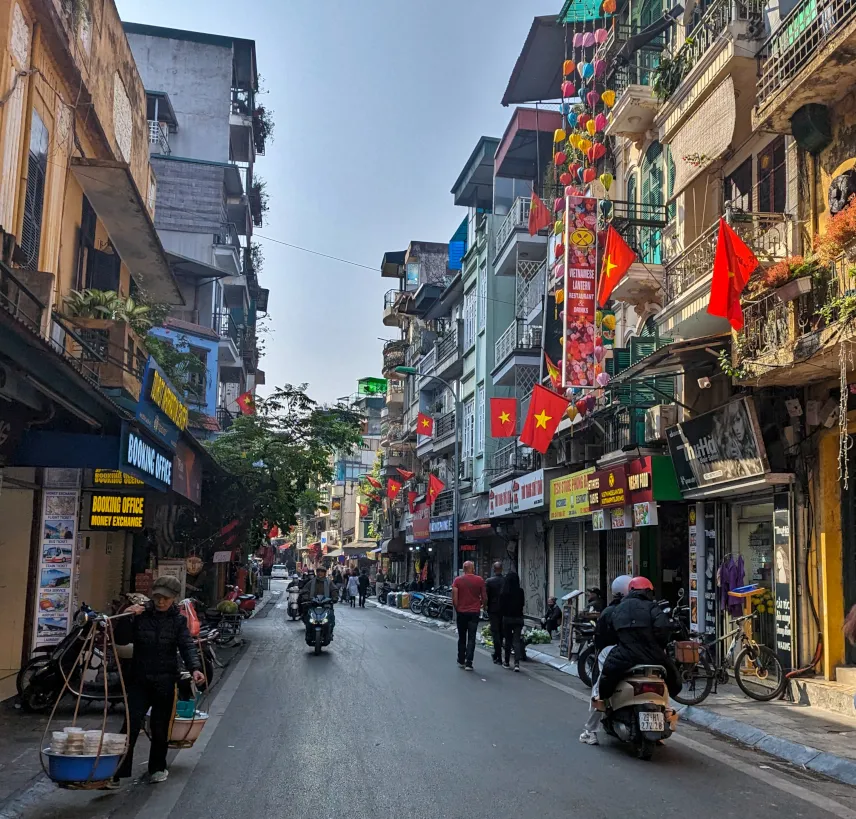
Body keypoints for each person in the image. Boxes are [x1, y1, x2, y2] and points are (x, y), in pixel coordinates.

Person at [110, 576, 204, 786]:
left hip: (165, 680)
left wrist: (195, 668)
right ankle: (116, 772)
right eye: (158, 597)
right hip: (139, 680)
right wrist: (127, 617)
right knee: (130, 726)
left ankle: (157, 768)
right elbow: (120, 639)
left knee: (160, 727)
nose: (161, 602)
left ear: (174, 599)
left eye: (166, 598)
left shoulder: (178, 621)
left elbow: (187, 645)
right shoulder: (140, 615)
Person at [597, 576, 681, 703]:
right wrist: (658, 646)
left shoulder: (618, 609)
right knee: (673, 676)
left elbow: (609, 633)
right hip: (653, 655)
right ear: (648, 591)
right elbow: (663, 629)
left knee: (606, 681)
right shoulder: (653, 608)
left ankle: (606, 706)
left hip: (624, 654)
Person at [580, 574, 630, 745]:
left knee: (599, 689)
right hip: (643, 655)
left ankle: (591, 730)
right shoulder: (646, 609)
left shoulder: (611, 611)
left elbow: (600, 637)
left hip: (613, 653)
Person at [451, 561, 485, 671]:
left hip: (461, 612)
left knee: (462, 637)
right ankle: (469, 662)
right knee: (472, 637)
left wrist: (458, 610)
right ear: (472, 568)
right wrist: (482, 606)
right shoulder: (479, 580)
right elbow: (484, 597)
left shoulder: (457, 581)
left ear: (464, 569)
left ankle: (461, 660)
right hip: (474, 613)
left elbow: (454, 599)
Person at [299, 565, 339, 635]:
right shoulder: (311, 582)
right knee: (307, 616)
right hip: (313, 603)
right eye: (319, 571)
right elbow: (305, 590)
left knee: (331, 617)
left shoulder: (329, 582)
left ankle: (330, 631)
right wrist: (306, 597)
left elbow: (334, 590)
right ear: (316, 573)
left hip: (326, 604)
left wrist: (334, 597)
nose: (320, 573)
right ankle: (309, 632)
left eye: (322, 572)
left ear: (325, 573)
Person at [500, 570, 525, 671]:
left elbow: (501, 606)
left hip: (507, 618)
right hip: (518, 618)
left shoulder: (504, 592)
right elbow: (522, 604)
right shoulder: (520, 591)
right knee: (516, 641)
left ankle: (506, 661)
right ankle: (517, 664)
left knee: (508, 641)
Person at [484, 562, 505, 665]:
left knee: (495, 632)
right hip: (504, 610)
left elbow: (486, 596)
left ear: (494, 569)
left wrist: (485, 607)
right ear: (502, 569)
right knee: (501, 632)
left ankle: (498, 655)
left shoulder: (489, 581)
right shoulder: (506, 581)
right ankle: (498, 654)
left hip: (493, 610)